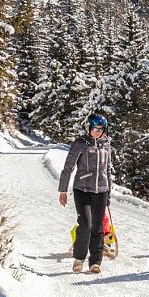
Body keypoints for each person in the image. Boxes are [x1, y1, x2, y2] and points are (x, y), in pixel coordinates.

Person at [58, 114, 113, 274]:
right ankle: (79, 259)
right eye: (95, 128)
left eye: (101, 129)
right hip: (82, 189)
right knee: (86, 224)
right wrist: (63, 190)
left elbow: (108, 169)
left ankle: (95, 262)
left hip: (101, 190)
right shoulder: (80, 144)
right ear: (88, 128)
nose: (97, 132)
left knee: (98, 226)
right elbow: (68, 168)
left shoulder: (106, 144)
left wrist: (108, 192)